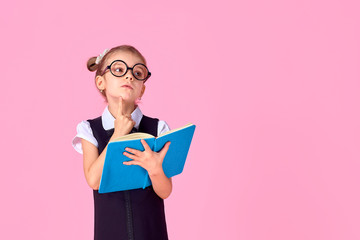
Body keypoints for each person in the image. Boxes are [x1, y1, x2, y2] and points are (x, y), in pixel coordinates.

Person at [72, 45, 172, 240]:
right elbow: (93, 180)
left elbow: (166, 190)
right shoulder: (89, 129)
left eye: (137, 72)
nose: (129, 77)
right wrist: (117, 135)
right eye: (119, 70)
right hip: (110, 232)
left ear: (142, 88)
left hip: (151, 232)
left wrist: (155, 169)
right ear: (101, 82)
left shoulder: (158, 128)